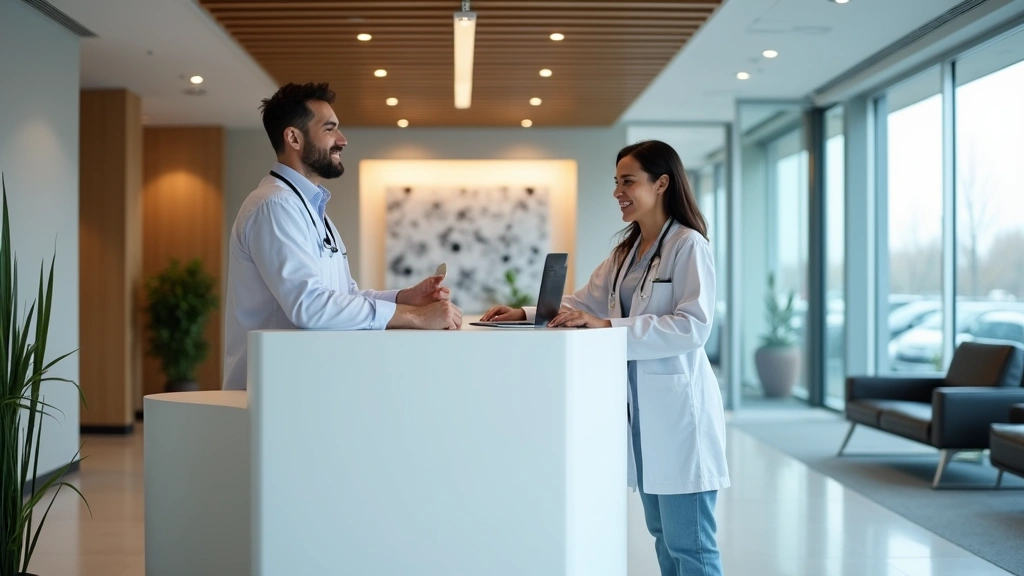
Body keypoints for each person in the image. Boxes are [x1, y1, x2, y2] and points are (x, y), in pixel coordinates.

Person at [481, 140, 728, 576]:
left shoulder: (688, 246)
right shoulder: (624, 254)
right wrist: (524, 312)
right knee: (664, 541)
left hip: (678, 417)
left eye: (628, 181)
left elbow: (693, 326)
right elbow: (584, 304)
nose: (618, 191)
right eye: (616, 182)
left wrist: (608, 328)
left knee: (691, 548)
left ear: (662, 183)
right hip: (642, 421)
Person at [223, 82, 462, 391]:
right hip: (274, 393)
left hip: (302, 386)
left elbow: (343, 296)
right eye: (330, 129)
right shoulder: (274, 205)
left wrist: (406, 298)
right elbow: (309, 306)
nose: (342, 140)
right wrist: (413, 317)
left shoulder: (309, 208)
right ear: (293, 137)